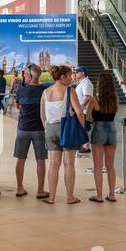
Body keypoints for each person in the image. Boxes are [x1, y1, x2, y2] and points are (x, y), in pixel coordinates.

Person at [40, 65, 85, 205]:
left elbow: (42, 114)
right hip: (66, 129)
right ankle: (70, 197)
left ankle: (52, 197)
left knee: (53, 164)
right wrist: (82, 128)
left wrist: (46, 128)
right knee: (69, 164)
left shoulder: (46, 92)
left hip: (50, 128)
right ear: (62, 77)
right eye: (70, 75)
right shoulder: (69, 91)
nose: (72, 77)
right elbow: (78, 112)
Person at [14, 64, 49, 199]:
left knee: (20, 159)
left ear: (30, 76)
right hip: (39, 129)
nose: (24, 76)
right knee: (40, 160)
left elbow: (18, 105)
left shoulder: (21, 91)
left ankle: (19, 188)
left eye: (25, 74)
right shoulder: (44, 91)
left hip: (23, 128)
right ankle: (40, 191)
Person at [87, 72, 119, 203]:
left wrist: (93, 118)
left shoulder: (95, 99)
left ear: (100, 84)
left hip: (98, 130)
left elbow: (88, 117)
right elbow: (114, 113)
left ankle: (99, 195)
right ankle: (112, 194)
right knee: (110, 166)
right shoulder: (115, 98)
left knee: (98, 166)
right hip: (112, 130)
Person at [74, 66, 94, 154]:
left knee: (86, 128)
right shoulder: (81, 82)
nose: (76, 74)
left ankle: (86, 146)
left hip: (84, 110)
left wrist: (81, 107)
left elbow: (87, 96)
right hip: (80, 110)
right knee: (82, 128)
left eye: (77, 72)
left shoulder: (86, 83)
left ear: (83, 73)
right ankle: (83, 145)